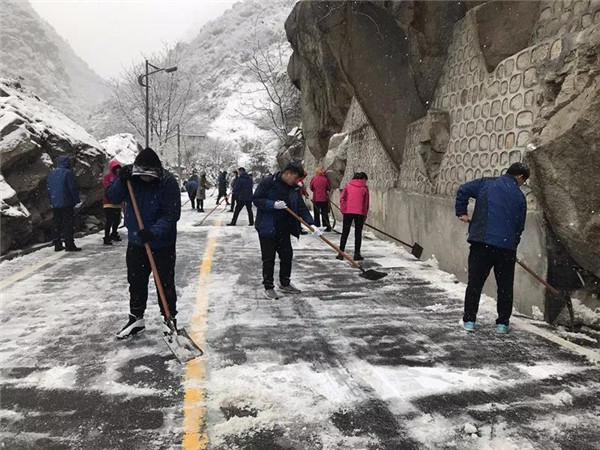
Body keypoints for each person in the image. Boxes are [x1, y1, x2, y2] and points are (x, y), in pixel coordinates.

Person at [106, 147, 181, 339]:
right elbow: (112, 197)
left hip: (162, 243)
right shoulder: (130, 178)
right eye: (143, 175)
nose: (146, 179)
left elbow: (172, 214)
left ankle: (169, 319)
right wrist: (120, 180)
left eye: (150, 175)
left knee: (165, 282)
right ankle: (136, 319)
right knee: (136, 281)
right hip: (137, 242)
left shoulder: (168, 182)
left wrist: (154, 232)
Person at [455, 162, 529, 334]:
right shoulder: (520, 197)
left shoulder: (486, 184)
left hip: (482, 244)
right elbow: (520, 226)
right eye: (523, 181)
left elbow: (463, 190)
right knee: (505, 287)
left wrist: (461, 212)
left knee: (475, 284)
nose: (522, 184)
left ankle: (469, 320)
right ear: (520, 177)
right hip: (506, 249)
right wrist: (512, 244)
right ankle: (502, 324)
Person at [253, 163, 321, 299]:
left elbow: (300, 206)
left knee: (287, 256)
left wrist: (311, 224)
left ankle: (285, 283)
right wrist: (272, 204)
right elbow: (256, 199)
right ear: (288, 173)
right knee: (269, 258)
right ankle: (268, 286)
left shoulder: (294, 187)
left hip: (284, 227)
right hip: (268, 227)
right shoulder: (268, 182)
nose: (297, 181)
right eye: (295, 178)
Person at [47, 155, 82, 252]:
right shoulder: (68, 173)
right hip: (66, 202)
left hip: (55, 203)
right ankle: (69, 244)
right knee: (68, 224)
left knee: (56, 223)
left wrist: (51, 201)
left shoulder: (52, 173)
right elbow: (72, 188)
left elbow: (49, 189)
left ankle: (57, 244)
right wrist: (77, 200)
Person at [337, 172, 370, 261]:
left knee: (345, 232)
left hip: (348, 212)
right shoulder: (365, 188)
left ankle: (341, 253)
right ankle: (357, 253)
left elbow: (342, 198)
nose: (365, 182)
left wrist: (343, 209)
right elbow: (366, 203)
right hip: (360, 213)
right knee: (358, 233)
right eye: (365, 180)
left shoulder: (348, 186)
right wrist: (365, 214)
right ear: (363, 179)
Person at [102, 159, 122, 245]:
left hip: (117, 203)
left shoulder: (120, 178)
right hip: (108, 203)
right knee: (109, 221)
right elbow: (107, 188)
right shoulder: (107, 177)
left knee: (116, 220)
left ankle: (114, 233)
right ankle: (106, 236)